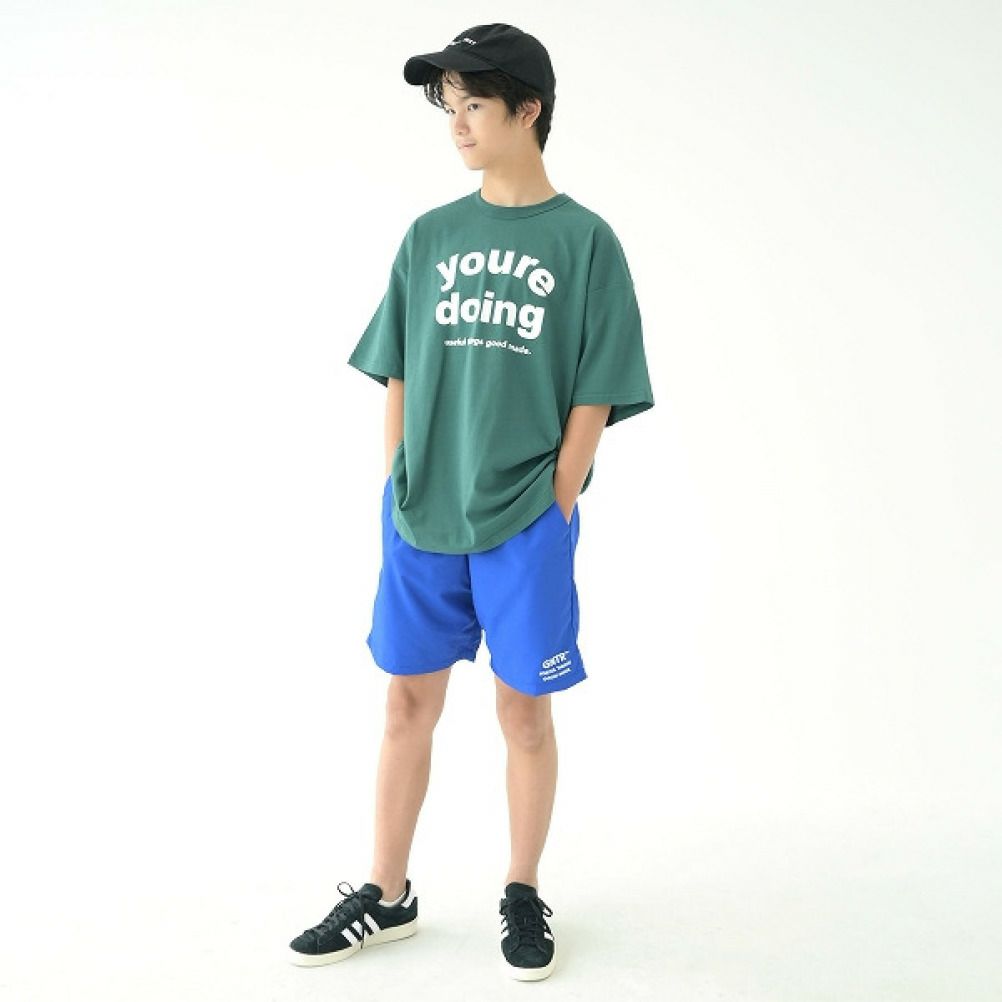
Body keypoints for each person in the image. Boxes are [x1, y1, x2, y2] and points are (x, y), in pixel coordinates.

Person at [288, 23, 654, 982]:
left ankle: (522, 888)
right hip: (423, 513)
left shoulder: (585, 241)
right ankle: (387, 892)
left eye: (474, 106)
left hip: (526, 518)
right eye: (449, 108)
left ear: (528, 109)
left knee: (523, 713)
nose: (457, 124)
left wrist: (560, 495)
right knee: (405, 703)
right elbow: (399, 366)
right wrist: (398, 476)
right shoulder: (431, 236)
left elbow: (599, 383)